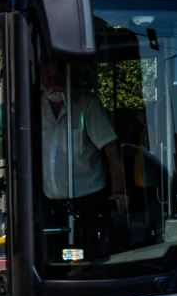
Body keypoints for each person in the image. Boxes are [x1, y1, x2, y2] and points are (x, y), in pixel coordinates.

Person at [41, 61, 126, 255]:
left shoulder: (87, 104)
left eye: (58, 76)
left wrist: (119, 193)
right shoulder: (35, 108)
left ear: (69, 76)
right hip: (51, 206)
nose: (53, 82)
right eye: (47, 76)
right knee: (54, 260)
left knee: (85, 261)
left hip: (88, 204)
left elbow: (113, 152)